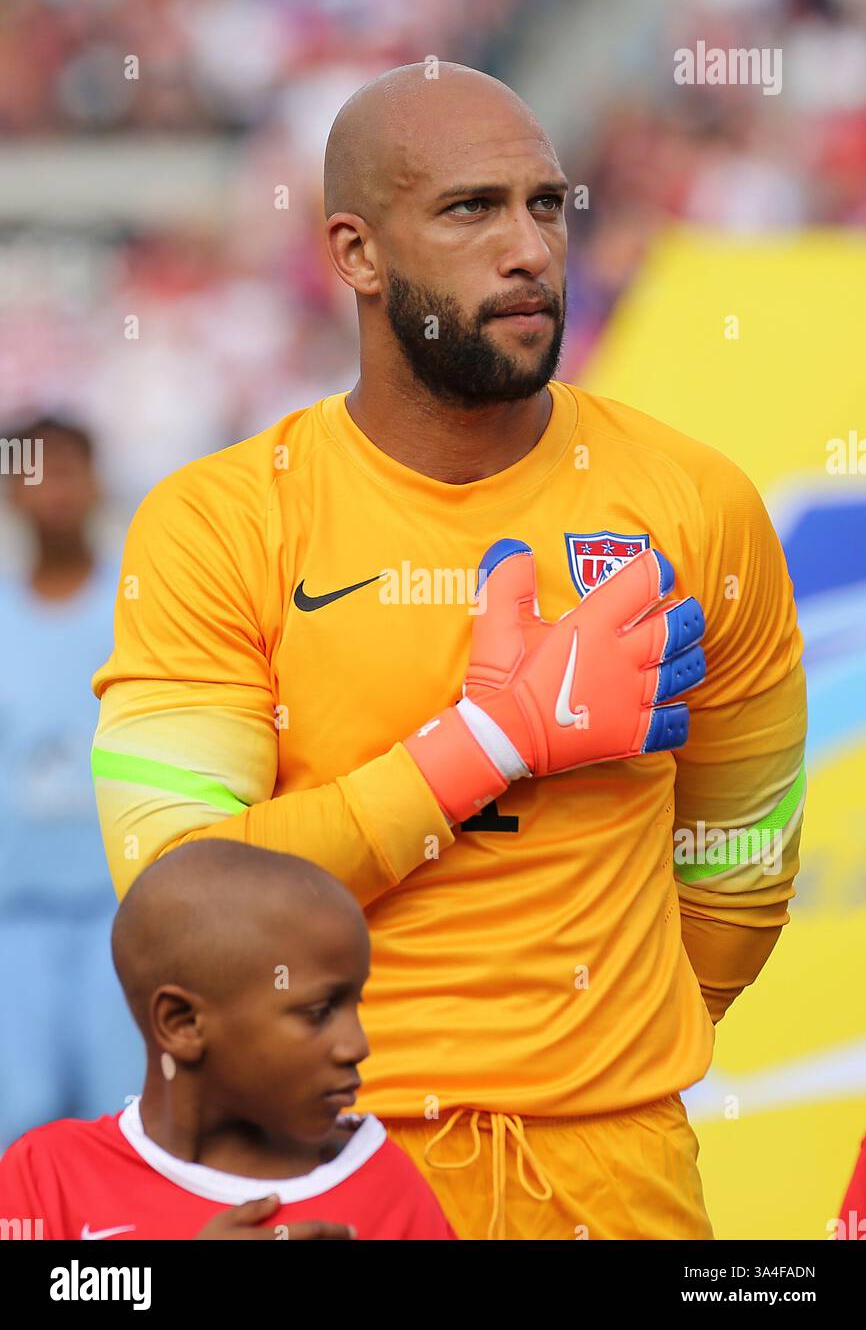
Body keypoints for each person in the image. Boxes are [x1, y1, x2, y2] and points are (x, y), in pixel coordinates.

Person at [90, 63, 807, 1240]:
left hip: (615, 1173)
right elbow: (178, 902)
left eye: (546, 205)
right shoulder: (219, 521)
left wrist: (607, 1061)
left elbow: (740, 855)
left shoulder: (694, 500)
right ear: (356, 253)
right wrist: (485, 743)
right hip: (322, 1175)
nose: (528, 248)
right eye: (471, 209)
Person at [0, 840, 458, 1240]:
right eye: (318, 1013)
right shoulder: (48, 1175)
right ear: (182, 1023)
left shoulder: (384, 1186)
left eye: (353, 1005)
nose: (357, 1045)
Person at [0, 416, 142, 1152]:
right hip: (13, 920)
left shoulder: (143, 606)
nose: (53, 491)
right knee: (19, 1119)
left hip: (119, 909)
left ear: (96, 484)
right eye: (34, 474)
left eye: (68, 471)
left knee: (116, 1116)